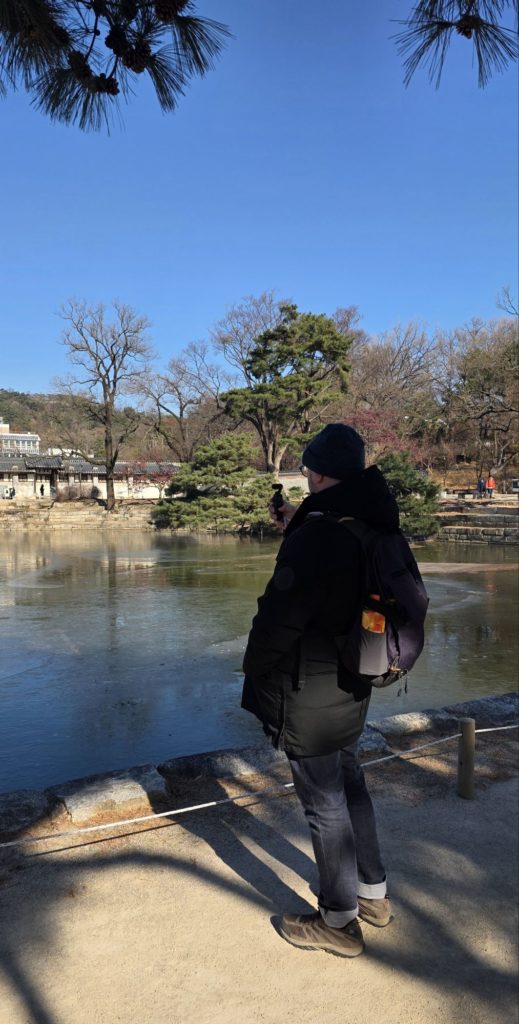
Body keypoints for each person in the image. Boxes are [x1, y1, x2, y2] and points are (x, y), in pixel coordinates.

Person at [242, 423, 397, 959]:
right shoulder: (369, 518)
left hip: (309, 688)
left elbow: (280, 616)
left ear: (321, 473)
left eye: (309, 468)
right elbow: (337, 568)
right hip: (355, 678)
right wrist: (299, 523)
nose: (306, 476)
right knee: (350, 785)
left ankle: (338, 922)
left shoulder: (320, 535)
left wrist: (253, 668)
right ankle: (373, 895)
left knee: (324, 804)